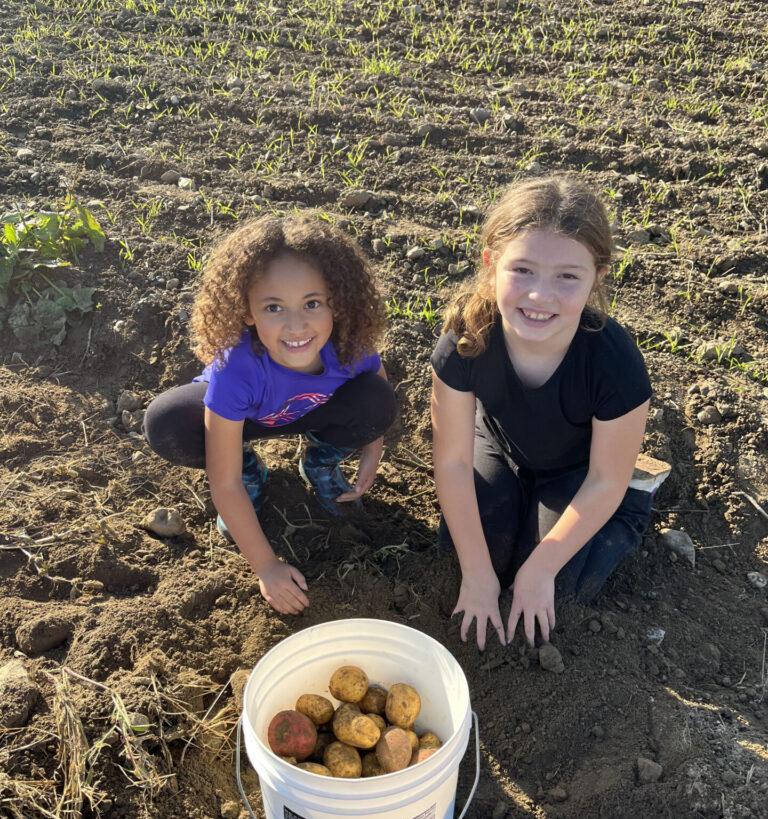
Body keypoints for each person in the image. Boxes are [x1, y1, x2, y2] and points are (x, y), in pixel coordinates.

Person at [431, 175, 652, 651]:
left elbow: (604, 480)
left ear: (598, 276)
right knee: (470, 563)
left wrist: (542, 567)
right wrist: (476, 571)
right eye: (523, 270)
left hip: (581, 473)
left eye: (567, 277)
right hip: (499, 448)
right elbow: (451, 461)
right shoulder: (464, 342)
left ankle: (635, 509)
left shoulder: (614, 363)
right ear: (492, 265)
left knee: (556, 593)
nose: (539, 295)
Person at [144, 214, 396, 615]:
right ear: (248, 312)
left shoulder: (349, 348)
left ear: (337, 302)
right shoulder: (237, 370)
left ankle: (321, 463)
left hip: (314, 411)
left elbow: (379, 391)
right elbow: (221, 483)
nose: (297, 325)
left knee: (377, 398)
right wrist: (267, 567)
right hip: (244, 420)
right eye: (274, 307)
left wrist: (372, 452)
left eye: (312, 303)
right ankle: (253, 473)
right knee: (168, 422)